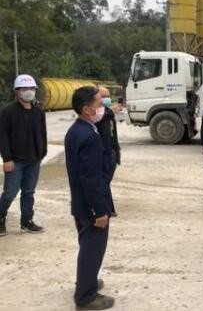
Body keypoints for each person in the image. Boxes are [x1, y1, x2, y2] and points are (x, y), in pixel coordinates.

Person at [65, 86, 114, 310]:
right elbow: (91, 178)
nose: (102, 107)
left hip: (80, 202)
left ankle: (87, 281)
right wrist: (99, 210)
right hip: (90, 205)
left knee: (88, 247)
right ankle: (86, 297)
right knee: (92, 250)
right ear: (87, 109)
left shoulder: (77, 130)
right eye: (99, 103)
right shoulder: (89, 137)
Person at [0, 74, 47, 236]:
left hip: (34, 160)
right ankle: (0, 218)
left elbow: (43, 133)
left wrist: (42, 152)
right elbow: (3, 137)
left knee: (28, 192)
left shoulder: (38, 112)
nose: (29, 91)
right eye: (25, 88)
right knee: (10, 193)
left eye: (31, 88)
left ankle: (26, 222)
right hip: (15, 161)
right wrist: (7, 158)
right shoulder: (7, 112)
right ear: (17, 91)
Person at [95, 87, 121, 217]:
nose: (107, 99)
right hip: (102, 153)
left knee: (105, 182)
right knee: (103, 182)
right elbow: (99, 119)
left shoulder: (108, 113)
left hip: (111, 152)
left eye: (108, 96)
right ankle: (106, 209)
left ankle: (109, 208)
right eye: (104, 96)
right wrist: (111, 112)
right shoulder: (96, 113)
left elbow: (113, 135)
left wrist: (117, 153)